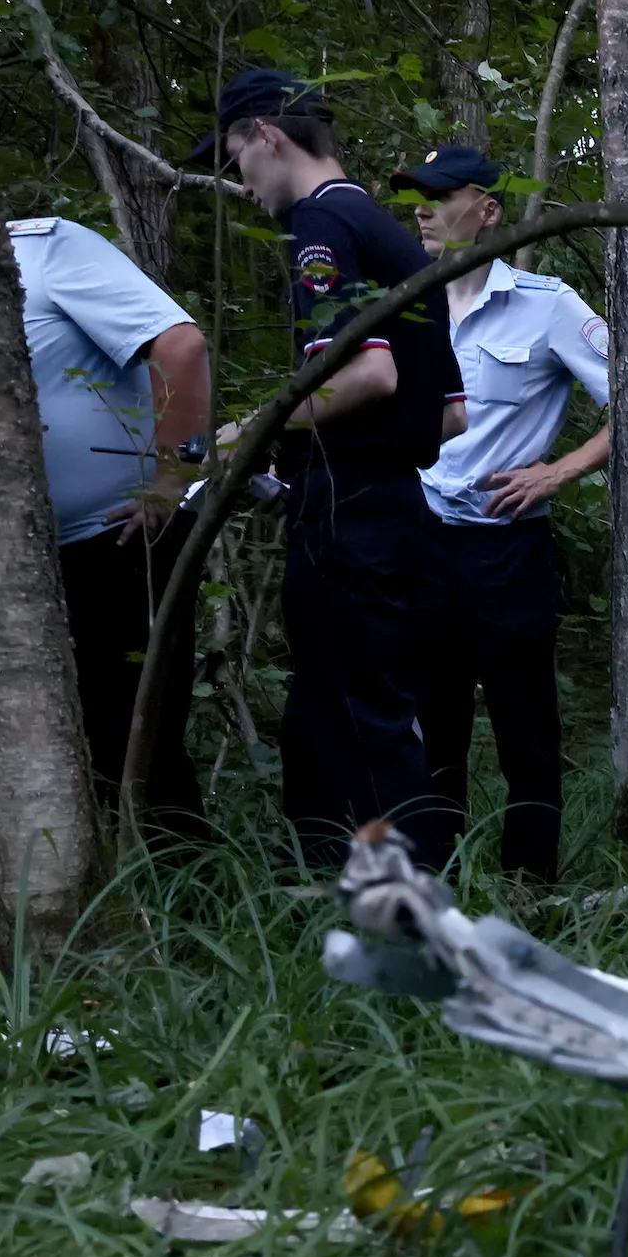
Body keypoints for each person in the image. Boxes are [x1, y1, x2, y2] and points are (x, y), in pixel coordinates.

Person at [0, 216, 217, 933]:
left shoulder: (44, 250)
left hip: (116, 541)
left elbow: (180, 344)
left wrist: (171, 476)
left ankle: (186, 913)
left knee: (130, 733)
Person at [196, 69, 464, 872]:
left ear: (268, 137)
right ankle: (324, 881)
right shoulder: (385, 233)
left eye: (234, 156)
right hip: (393, 507)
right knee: (328, 709)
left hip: (350, 511)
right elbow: (451, 412)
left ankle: (411, 909)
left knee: (361, 716)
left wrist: (250, 429)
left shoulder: (319, 228)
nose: (238, 181)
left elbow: (369, 377)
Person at [396, 144, 611, 883]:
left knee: (526, 732)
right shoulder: (404, 298)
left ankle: (531, 895)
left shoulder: (545, 305)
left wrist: (560, 470)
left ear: (487, 210)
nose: (420, 208)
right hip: (422, 543)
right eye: (415, 195)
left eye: (438, 195)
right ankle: (434, 893)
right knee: (430, 730)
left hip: (507, 551)